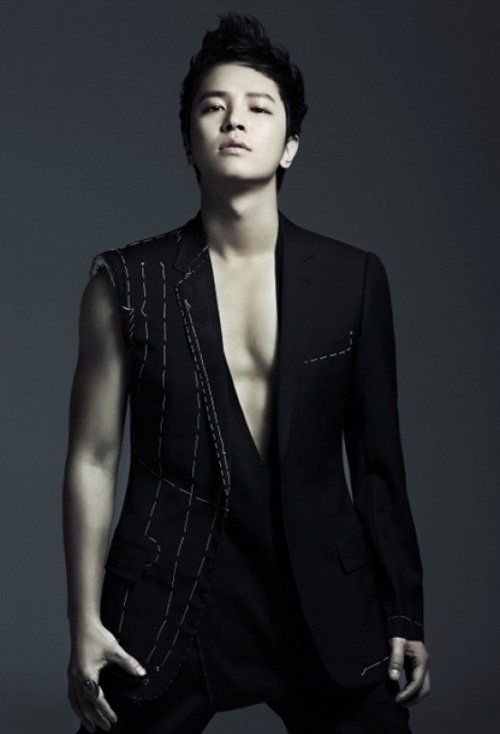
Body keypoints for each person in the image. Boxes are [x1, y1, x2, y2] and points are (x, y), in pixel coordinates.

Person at [63, 13, 430, 734]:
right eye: (214, 107)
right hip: (173, 594)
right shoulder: (126, 283)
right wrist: (82, 619)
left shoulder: (354, 280)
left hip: (323, 600)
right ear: (189, 142)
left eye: (259, 108)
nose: (235, 120)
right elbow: (93, 458)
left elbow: (378, 463)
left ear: (290, 144)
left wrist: (404, 611)